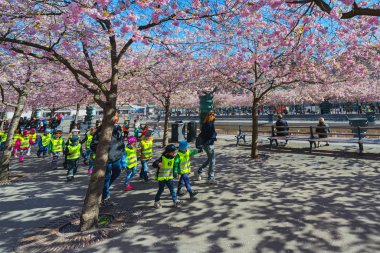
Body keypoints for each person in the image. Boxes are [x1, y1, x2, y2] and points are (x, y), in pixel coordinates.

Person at [91, 113, 125, 206]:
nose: (115, 119)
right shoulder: (101, 129)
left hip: (117, 157)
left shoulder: (118, 128)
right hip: (107, 159)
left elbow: (120, 140)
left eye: (116, 117)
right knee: (106, 178)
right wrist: (102, 153)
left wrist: (122, 151)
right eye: (113, 117)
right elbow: (93, 144)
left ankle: (103, 190)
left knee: (117, 172)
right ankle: (106, 197)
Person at [152, 144, 181, 208]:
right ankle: (156, 201)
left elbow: (174, 166)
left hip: (169, 177)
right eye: (173, 152)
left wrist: (175, 172)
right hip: (162, 178)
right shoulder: (162, 158)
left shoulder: (173, 158)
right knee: (161, 190)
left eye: (175, 151)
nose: (174, 153)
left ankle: (175, 201)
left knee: (172, 189)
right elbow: (154, 164)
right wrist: (158, 163)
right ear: (168, 152)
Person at [195, 112, 217, 184]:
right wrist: (214, 135)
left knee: (209, 160)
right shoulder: (210, 124)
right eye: (213, 116)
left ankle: (199, 171)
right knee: (212, 161)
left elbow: (204, 134)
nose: (215, 117)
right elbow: (209, 135)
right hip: (209, 144)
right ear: (211, 117)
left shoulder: (205, 124)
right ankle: (210, 178)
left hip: (207, 144)